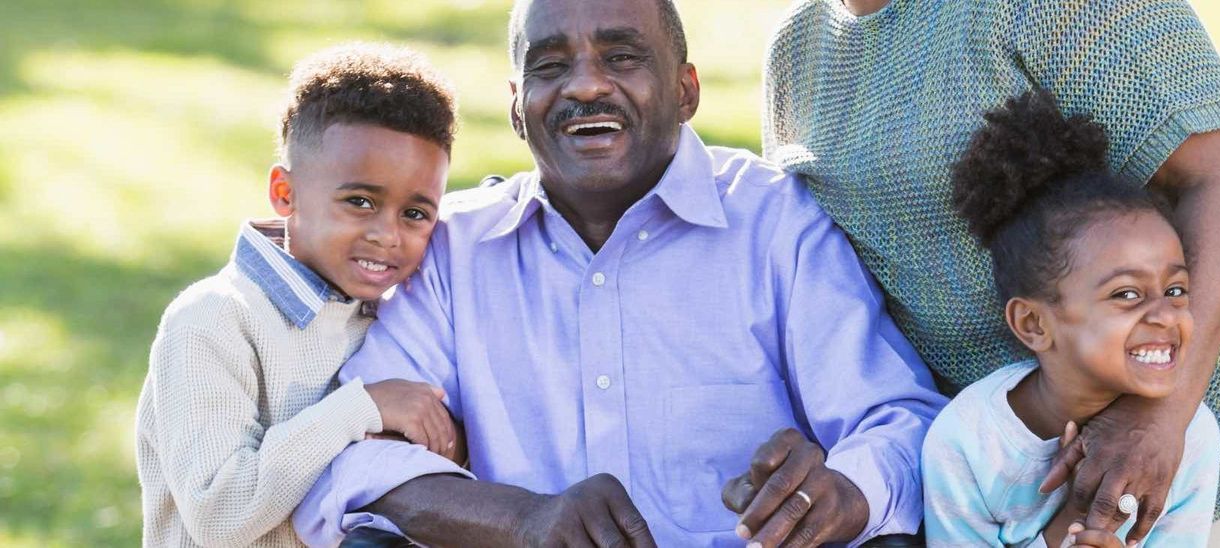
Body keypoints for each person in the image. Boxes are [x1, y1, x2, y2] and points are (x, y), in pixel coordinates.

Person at [291, 0, 948, 546]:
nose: (584, 86)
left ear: (685, 91)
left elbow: (896, 420)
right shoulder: (452, 250)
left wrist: (843, 494)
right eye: (551, 66)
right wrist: (524, 520)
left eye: (622, 57)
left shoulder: (776, 225)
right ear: (518, 107)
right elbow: (354, 457)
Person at [763, 0, 1220, 544]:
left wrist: (1161, 417)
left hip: (1219, 397)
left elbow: (1216, 175)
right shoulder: (797, 48)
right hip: (1014, 446)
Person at [134, 44, 462, 547]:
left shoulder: (395, 319)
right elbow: (220, 514)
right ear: (285, 193)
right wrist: (362, 408)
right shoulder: (212, 320)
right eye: (360, 201)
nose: (387, 235)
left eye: (415, 214)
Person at [922, 92, 1220, 548]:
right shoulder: (967, 443)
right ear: (1034, 324)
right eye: (1127, 294)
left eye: (1175, 290)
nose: (1166, 314)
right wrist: (1074, 521)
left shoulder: (1190, 435)